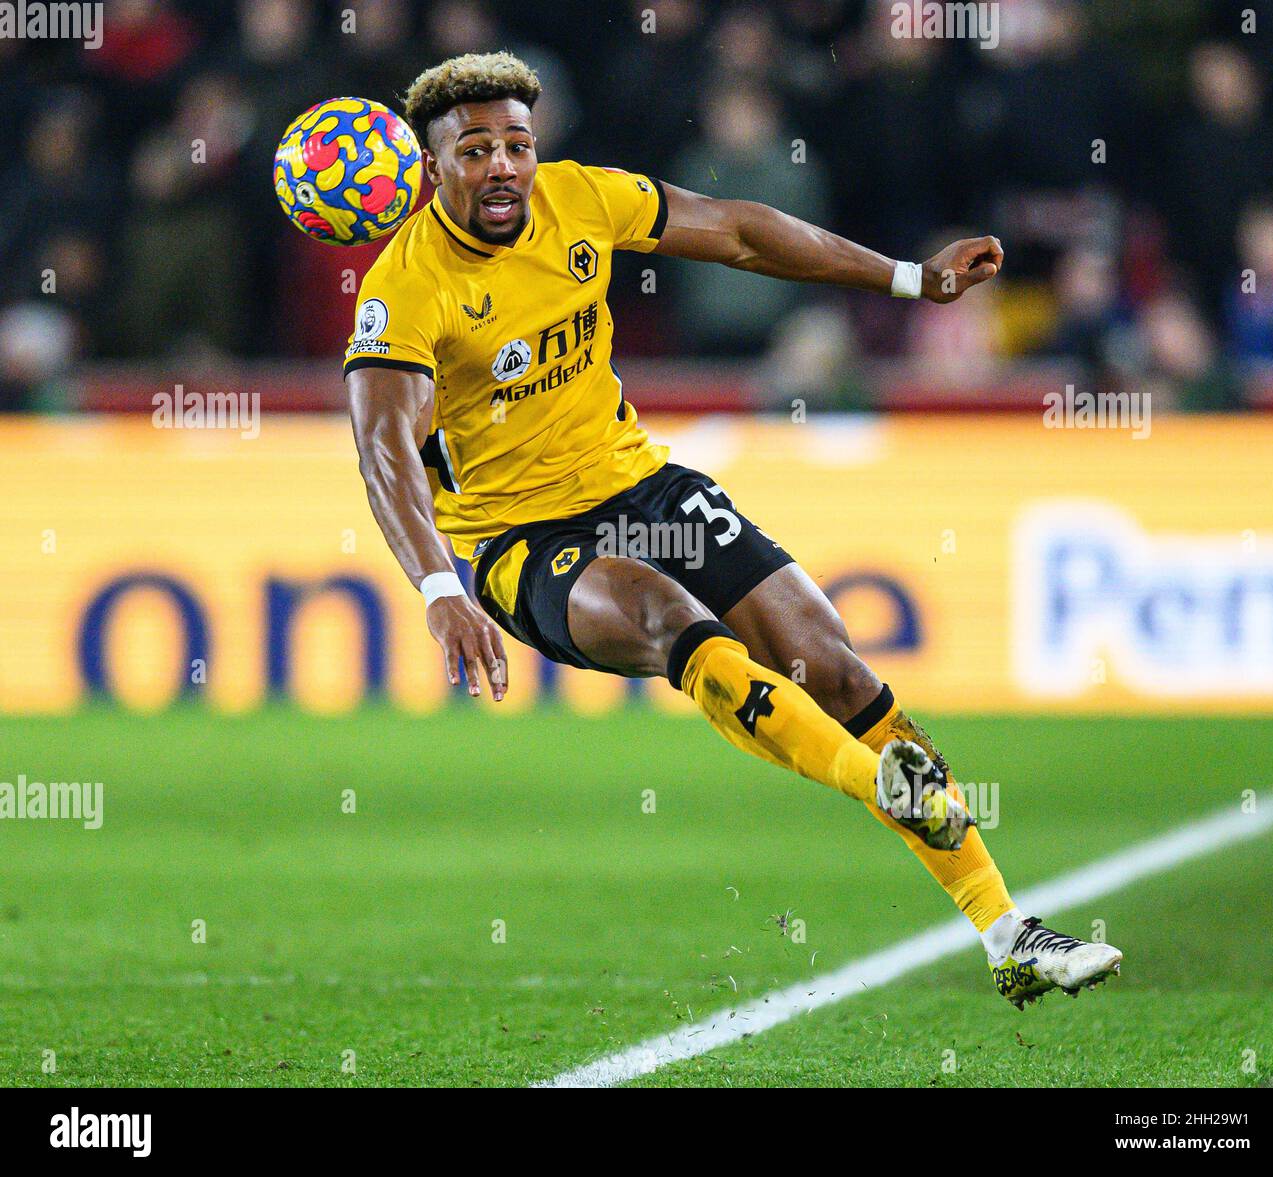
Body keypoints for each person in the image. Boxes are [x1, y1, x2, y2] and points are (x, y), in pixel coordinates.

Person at [343, 52, 1122, 1008]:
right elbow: (383, 451)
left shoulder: (584, 200)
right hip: (522, 542)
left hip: (643, 487)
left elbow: (744, 234)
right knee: (670, 619)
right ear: (429, 171)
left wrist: (912, 280)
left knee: (832, 665)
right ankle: (875, 782)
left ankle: (1010, 932)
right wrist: (439, 589)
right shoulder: (404, 288)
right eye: (474, 150)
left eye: (518, 145)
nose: (503, 166)